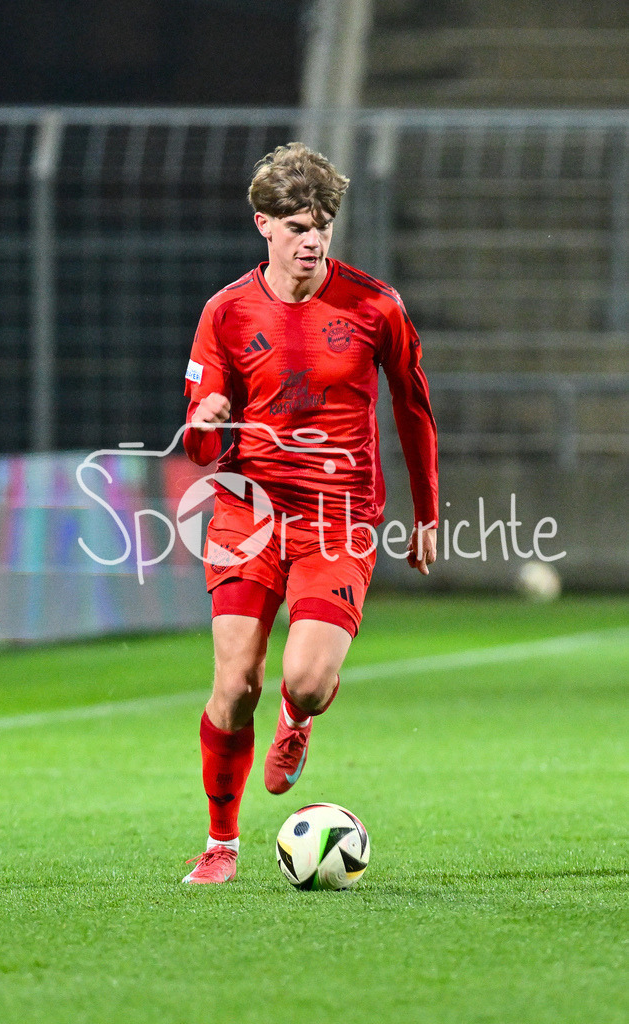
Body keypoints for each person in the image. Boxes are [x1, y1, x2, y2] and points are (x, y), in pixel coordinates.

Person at [181, 142, 438, 884]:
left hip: (339, 519)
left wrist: (427, 510)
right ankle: (221, 844)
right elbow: (198, 447)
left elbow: (414, 407)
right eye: (297, 226)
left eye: (322, 225)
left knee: (307, 681)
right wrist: (207, 418)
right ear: (263, 224)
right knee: (236, 684)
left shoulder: (375, 305)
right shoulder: (226, 313)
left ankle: (297, 722)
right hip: (249, 513)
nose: (312, 240)